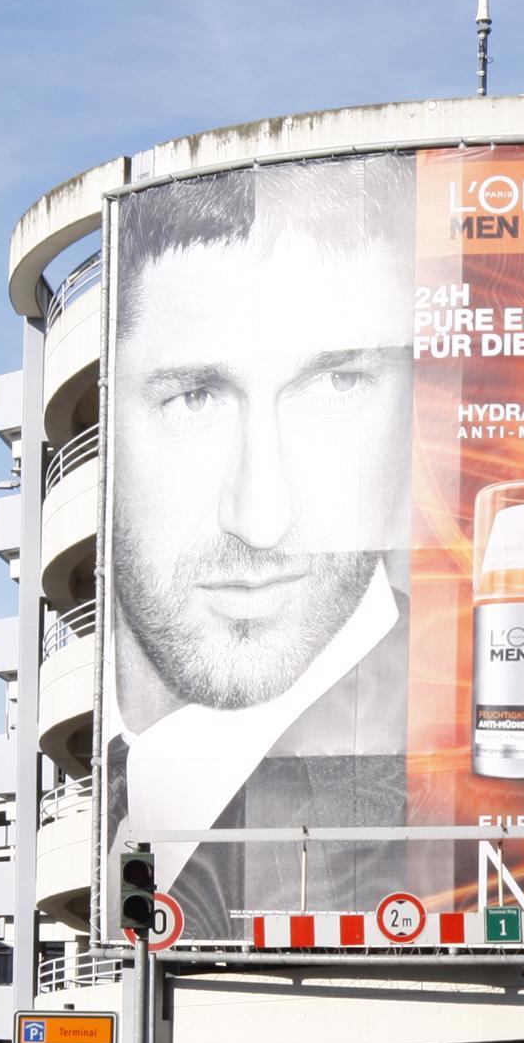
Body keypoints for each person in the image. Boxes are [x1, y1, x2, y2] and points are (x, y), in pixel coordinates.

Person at [100, 153, 419, 929]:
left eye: (337, 386)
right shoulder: (108, 765)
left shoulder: (464, 776)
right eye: (196, 398)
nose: (260, 513)